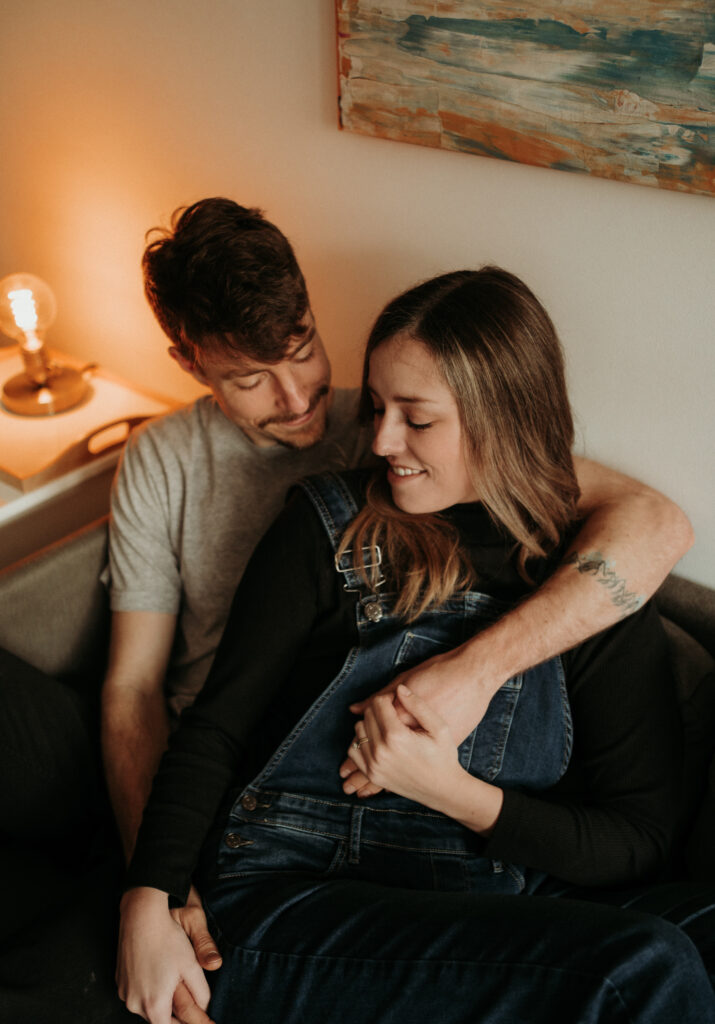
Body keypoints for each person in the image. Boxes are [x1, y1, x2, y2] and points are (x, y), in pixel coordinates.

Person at [0, 199, 695, 1024]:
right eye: (249, 378)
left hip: (458, 889)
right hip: (260, 843)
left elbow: (645, 521)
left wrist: (451, 767)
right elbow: (162, 706)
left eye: (301, 352)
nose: (369, 435)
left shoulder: (582, 580)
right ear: (192, 365)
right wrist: (152, 891)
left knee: (665, 953)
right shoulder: (300, 506)